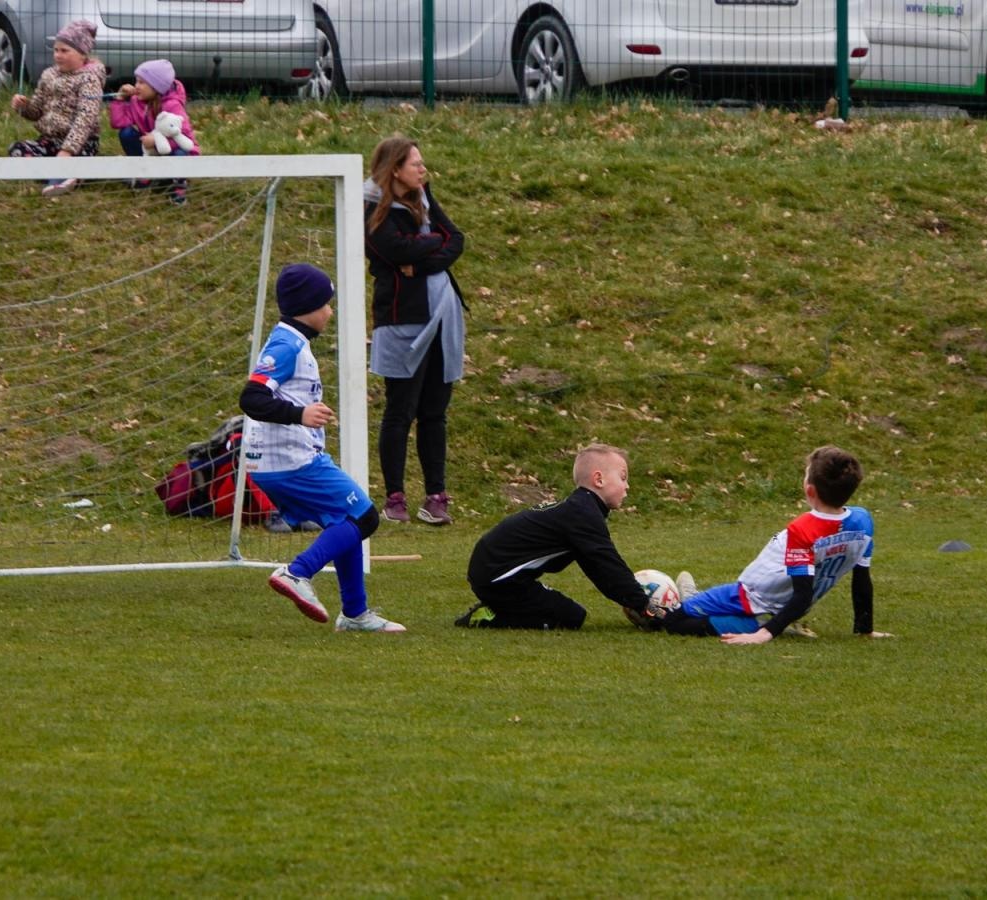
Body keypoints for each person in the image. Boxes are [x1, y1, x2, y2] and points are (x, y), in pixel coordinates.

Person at [238, 263, 404, 633]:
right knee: (364, 517)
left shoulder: (292, 342)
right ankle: (297, 573)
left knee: (345, 520)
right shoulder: (286, 345)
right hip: (289, 459)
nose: (330, 311)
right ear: (307, 308)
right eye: (326, 303)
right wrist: (301, 414)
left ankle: (356, 615)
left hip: (281, 459)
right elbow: (251, 398)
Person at [658, 446, 895, 645]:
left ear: (809, 489)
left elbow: (802, 594)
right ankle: (749, 615)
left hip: (749, 595)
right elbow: (862, 579)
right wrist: (865, 629)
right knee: (701, 608)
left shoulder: (803, 529)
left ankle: (751, 620)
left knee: (672, 620)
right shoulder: (863, 521)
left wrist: (763, 634)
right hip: (783, 601)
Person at [364, 136, 467, 526]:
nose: (423, 171)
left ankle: (435, 496)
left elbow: (455, 238)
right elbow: (392, 250)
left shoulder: (424, 195)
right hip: (402, 320)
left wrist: (423, 260)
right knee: (400, 411)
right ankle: (394, 498)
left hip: (443, 315)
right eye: (416, 165)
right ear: (395, 170)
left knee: (434, 412)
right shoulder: (373, 206)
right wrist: (427, 247)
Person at [459, 444, 661, 631]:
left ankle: (500, 605)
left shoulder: (579, 509)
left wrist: (633, 600)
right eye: (623, 478)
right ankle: (489, 616)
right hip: (498, 578)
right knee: (569, 617)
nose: (627, 486)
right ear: (599, 480)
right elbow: (608, 566)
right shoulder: (582, 515)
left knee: (570, 613)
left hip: (493, 571)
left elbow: (599, 570)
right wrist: (645, 605)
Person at [9, 20, 105, 197]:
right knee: (17, 149)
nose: (58, 55)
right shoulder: (48, 75)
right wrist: (23, 107)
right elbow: (36, 112)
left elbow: (85, 118)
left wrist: (68, 149)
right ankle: (60, 174)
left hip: (81, 143)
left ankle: (69, 175)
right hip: (50, 140)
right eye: (56, 50)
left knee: (78, 161)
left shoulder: (89, 79)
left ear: (82, 54)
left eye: (65, 51)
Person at [108, 59, 198, 206]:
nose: (137, 86)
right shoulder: (137, 101)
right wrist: (120, 100)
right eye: (136, 81)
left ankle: (178, 185)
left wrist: (156, 140)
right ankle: (144, 173)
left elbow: (184, 138)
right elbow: (118, 123)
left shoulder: (173, 106)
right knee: (126, 133)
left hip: (173, 148)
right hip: (150, 150)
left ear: (157, 86)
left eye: (142, 82)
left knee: (180, 154)